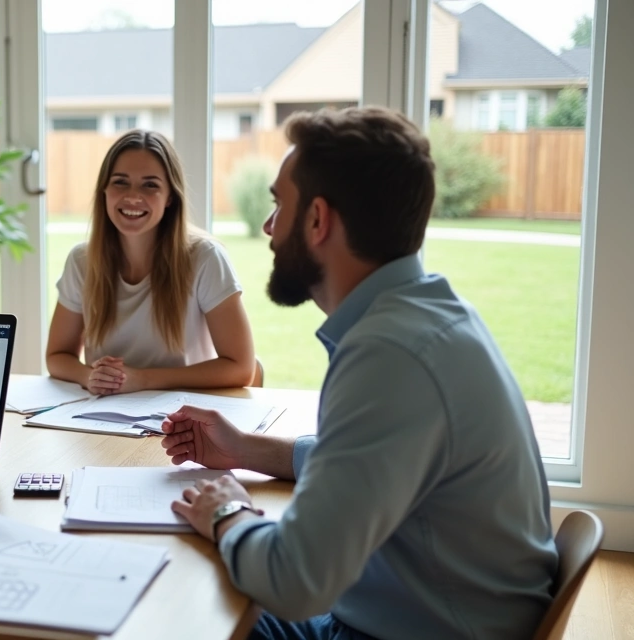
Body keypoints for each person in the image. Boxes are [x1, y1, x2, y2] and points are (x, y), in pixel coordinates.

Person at [164, 107, 557, 639]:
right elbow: (363, 459)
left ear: (319, 220)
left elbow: (294, 581)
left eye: (280, 204)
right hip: (424, 614)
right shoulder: (427, 314)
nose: (269, 227)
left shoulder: (389, 355)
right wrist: (244, 450)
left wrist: (227, 512)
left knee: (183, 608)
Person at [46, 129, 255, 395]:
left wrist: (141, 380)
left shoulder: (206, 258)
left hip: (184, 420)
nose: (133, 196)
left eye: (150, 185)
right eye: (120, 182)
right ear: (105, 191)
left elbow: (241, 368)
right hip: (103, 418)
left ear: (170, 197)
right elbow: (57, 355)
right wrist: (89, 377)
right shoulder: (82, 261)